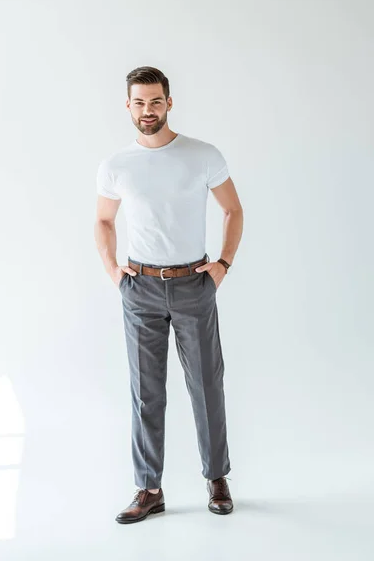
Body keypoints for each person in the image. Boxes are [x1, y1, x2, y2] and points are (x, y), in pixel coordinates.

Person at [94, 66, 244, 524]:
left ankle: (216, 478)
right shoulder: (116, 166)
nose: (147, 111)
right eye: (138, 103)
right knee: (146, 392)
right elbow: (103, 221)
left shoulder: (201, 155)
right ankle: (149, 488)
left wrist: (223, 265)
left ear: (169, 102)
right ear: (128, 106)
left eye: (155, 101)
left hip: (193, 285)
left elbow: (233, 209)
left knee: (206, 385)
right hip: (139, 288)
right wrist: (117, 276)